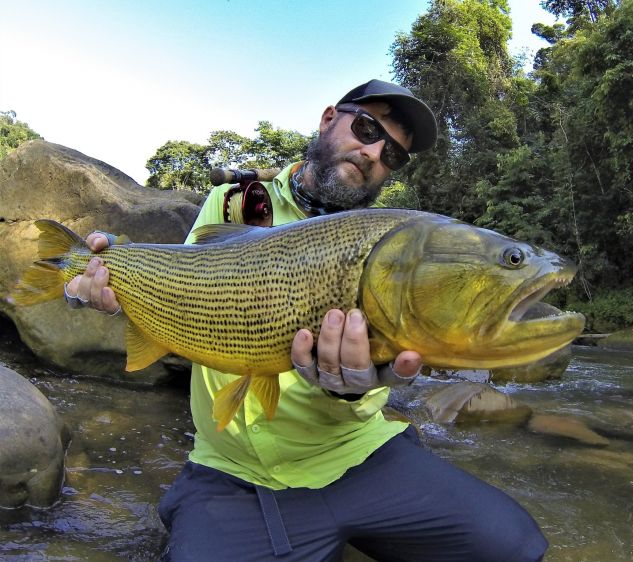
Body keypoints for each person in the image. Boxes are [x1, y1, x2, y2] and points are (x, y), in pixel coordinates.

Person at [65, 80, 548, 561]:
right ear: (327, 119)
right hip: (230, 473)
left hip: (356, 455)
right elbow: (182, 280)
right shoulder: (235, 202)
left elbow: (383, 370)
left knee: (516, 548)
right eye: (365, 127)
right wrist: (102, 276)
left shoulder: (395, 244)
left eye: (393, 156)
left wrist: (355, 386)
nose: (373, 152)